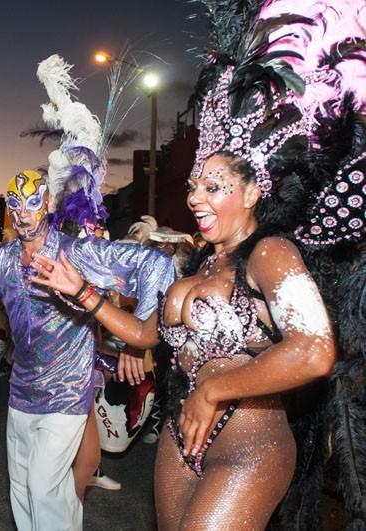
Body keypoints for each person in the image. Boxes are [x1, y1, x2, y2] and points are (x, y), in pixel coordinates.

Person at [151, 2, 365, 528]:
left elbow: (314, 352)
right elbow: (145, 334)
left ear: (253, 191)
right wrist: (83, 294)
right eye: (193, 186)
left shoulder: (272, 253)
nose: (196, 197)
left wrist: (214, 389)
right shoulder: (200, 262)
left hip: (249, 444)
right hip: (179, 436)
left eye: (214, 186)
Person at [0, 168, 173, 530]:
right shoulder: (3, 259)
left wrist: (139, 341)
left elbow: (156, 264)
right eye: (14, 204)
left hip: (66, 393)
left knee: (43, 488)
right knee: (23, 489)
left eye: (32, 202)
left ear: (50, 204)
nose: (23, 213)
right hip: (22, 393)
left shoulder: (78, 253)